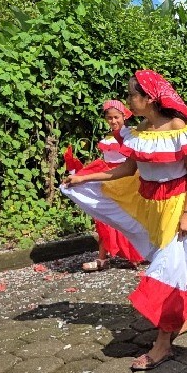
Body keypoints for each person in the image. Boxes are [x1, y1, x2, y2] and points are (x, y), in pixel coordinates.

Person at [62, 70, 187, 370]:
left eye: (132, 94)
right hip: (148, 205)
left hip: (175, 205)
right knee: (175, 262)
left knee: (166, 268)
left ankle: (162, 344)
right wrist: (86, 177)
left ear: (150, 98)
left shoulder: (178, 127)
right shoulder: (140, 131)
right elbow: (126, 171)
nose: (129, 100)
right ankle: (184, 316)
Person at [65, 100, 145, 271]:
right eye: (110, 118)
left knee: (129, 217)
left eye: (116, 117)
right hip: (109, 179)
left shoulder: (133, 135)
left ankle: (135, 254)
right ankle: (102, 257)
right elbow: (106, 163)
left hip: (128, 181)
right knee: (103, 218)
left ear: (124, 116)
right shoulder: (108, 139)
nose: (113, 121)